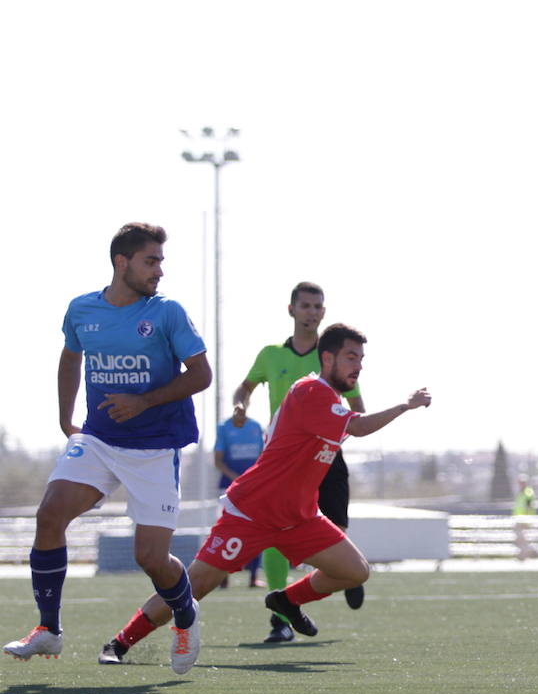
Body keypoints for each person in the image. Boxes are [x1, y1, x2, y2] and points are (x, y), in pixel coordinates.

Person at [99, 323, 431, 668]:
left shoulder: (330, 401)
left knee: (354, 571)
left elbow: (351, 424)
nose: (358, 365)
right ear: (327, 357)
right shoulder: (310, 392)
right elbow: (359, 427)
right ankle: (120, 643)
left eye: (361, 358)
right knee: (193, 587)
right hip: (252, 513)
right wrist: (405, 406)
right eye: (351, 357)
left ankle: (287, 601)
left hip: (299, 517)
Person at [4, 223, 210, 674]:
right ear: (123, 262)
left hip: (155, 447)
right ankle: (49, 629)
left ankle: (186, 614)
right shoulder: (82, 309)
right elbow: (69, 355)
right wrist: (65, 418)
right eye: (150, 261)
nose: (159, 271)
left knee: (150, 559)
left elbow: (201, 375)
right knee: (50, 514)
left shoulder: (167, 312)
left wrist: (144, 401)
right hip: (98, 438)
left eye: (160, 261)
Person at [231, 281, 366, 643]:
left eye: (317, 306)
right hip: (284, 464)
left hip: (326, 459)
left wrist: (334, 428)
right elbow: (245, 386)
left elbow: (358, 410)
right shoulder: (271, 355)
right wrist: (241, 404)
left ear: (324, 312)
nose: (312, 311)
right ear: (291, 309)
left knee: (337, 530)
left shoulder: (334, 358)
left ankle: (350, 575)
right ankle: (279, 618)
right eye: (305, 305)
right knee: (275, 537)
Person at [213, 411, 265, 586]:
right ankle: (222, 576)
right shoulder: (224, 427)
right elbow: (218, 460)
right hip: (229, 487)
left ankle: (253, 576)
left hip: (253, 487)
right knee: (226, 529)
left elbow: (263, 457)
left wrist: (254, 479)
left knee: (257, 529)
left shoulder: (256, 427)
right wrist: (237, 479)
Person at [513, 474, 537, 560]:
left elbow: (529, 506)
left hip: (525, 519)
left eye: (522, 482)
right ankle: (527, 552)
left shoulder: (528, 492)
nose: (521, 484)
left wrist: (527, 519)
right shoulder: (520, 493)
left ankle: (525, 553)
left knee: (522, 537)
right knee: (521, 538)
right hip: (519, 519)